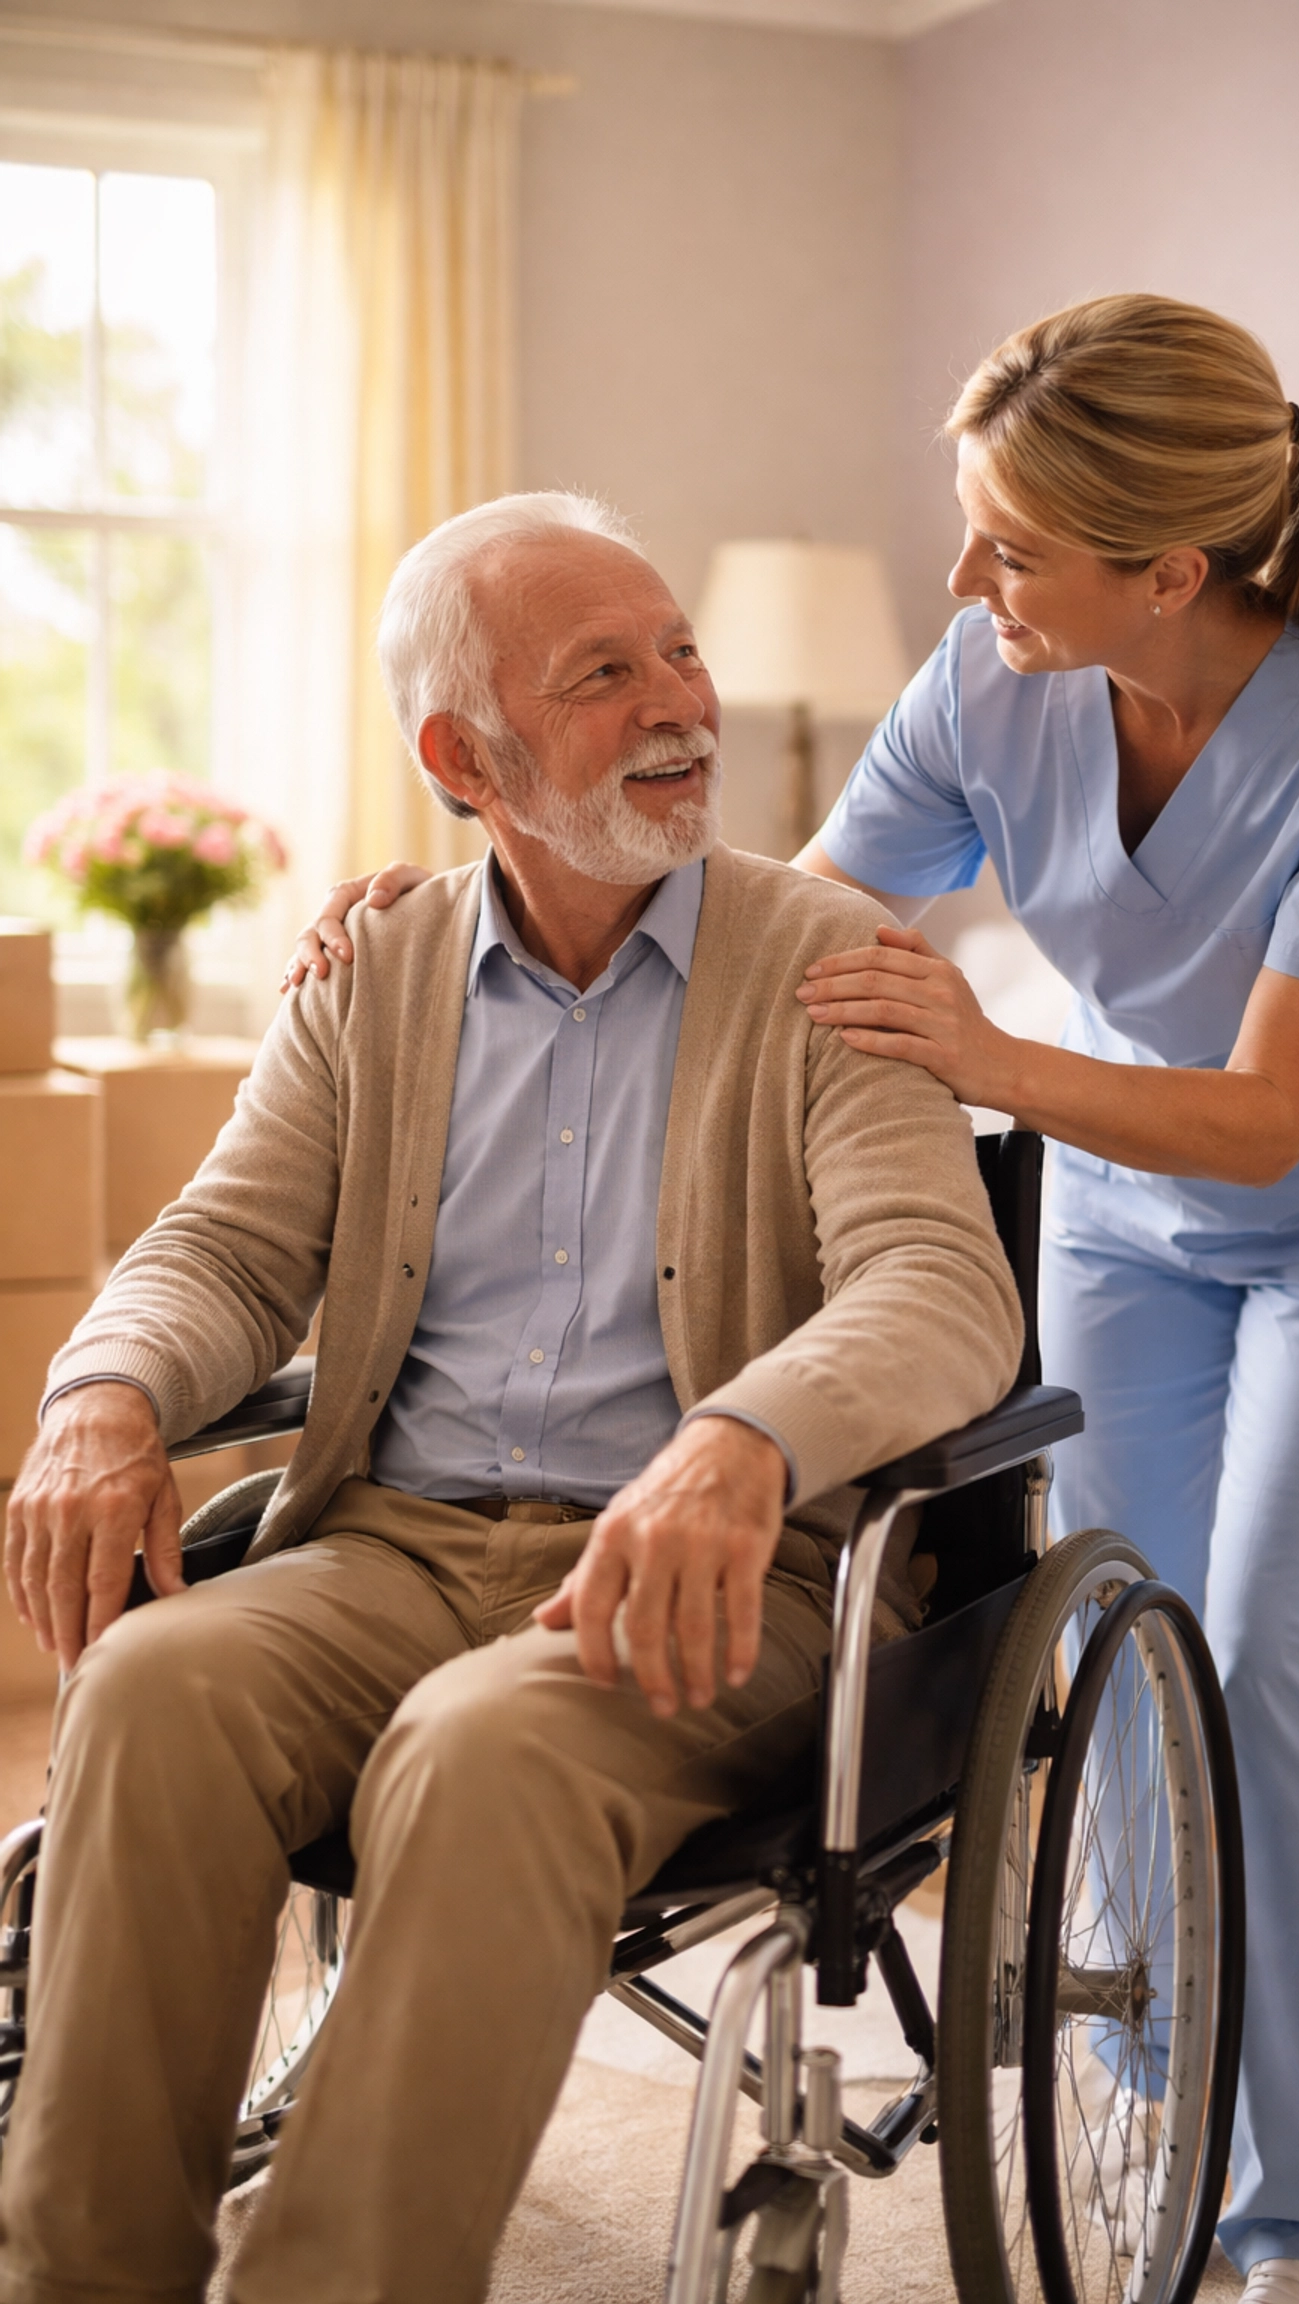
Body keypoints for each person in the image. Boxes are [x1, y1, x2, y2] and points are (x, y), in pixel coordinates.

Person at [298, 300, 1299, 2304]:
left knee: (1284, 1657)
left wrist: (984, 1052)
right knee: (1129, 1656)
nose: (964, 580)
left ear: (1169, 572)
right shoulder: (991, 675)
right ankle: (1155, 2091)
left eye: (1010, 547)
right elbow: (773, 923)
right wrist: (453, 891)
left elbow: (1280, 1116)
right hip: (1130, 1216)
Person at [0, 493, 1021, 2304]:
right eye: (604, 674)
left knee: (481, 1749)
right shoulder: (369, 975)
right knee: (152, 1684)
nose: (676, 705)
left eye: (681, 653)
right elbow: (227, 1250)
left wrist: (743, 1438)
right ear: (462, 755)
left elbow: (939, 1291)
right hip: (389, 1545)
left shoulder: (826, 966)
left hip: (716, 1580)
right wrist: (102, 1393)